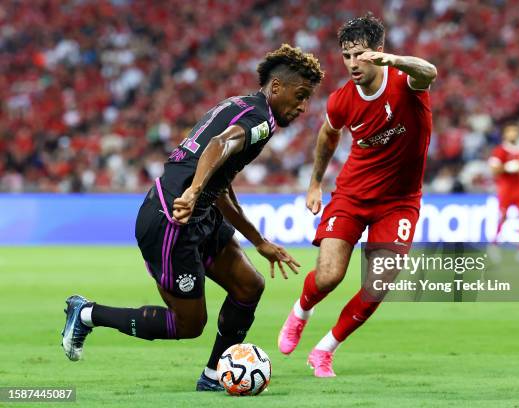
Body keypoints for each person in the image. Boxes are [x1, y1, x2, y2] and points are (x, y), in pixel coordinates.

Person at [61, 44, 324, 391]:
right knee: (189, 325)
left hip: (199, 212)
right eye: (300, 95)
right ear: (276, 88)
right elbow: (218, 144)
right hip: (172, 220)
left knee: (249, 286)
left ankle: (214, 376)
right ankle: (87, 313)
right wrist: (194, 190)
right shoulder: (260, 120)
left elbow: (222, 187)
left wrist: (259, 241)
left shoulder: (241, 105)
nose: (304, 106)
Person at [277, 13, 437, 377]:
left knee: (378, 284)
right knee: (330, 275)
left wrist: (396, 61)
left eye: (360, 55)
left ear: (378, 52)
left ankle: (324, 350)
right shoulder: (341, 100)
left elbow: (429, 71)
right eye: (346, 56)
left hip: (399, 202)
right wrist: (315, 182)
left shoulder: (406, 83)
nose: (352, 64)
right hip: (352, 194)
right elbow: (328, 135)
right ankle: (301, 310)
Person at [488, 125, 519, 261]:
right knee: (503, 216)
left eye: (515, 131)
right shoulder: (499, 151)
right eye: (510, 131)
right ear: (505, 134)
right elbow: (494, 170)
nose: (513, 134)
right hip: (506, 188)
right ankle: (494, 246)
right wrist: (507, 167)